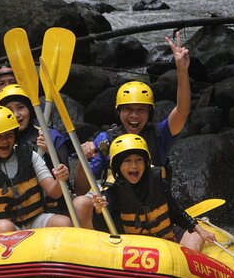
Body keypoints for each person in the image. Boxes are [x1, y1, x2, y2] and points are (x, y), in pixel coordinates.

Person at [72, 31, 192, 225]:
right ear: (119, 112)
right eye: (128, 110)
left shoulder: (160, 135)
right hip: (118, 214)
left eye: (141, 110)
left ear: (149, 113)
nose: (134, 116)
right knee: (80, 203)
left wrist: (181, 70)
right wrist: (81, 161)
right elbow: (80, 189)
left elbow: (183, 110)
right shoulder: (105, 140)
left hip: (153, 210)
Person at [90, 134, 215, 252]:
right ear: (117, 166)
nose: (134, 165)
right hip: (134, 250)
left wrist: (198, 229)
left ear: (145, 163)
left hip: (165, 242)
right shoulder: (113, 193)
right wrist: (99, 211)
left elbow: (175, 212)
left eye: (139, 160)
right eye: (127, 161)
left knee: (196, 238)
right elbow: (103, 230)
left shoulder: (159, 183)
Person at [0, 105, 72, 234]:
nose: (4, 141)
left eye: (9, 135)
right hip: (6, 224)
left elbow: (54, 193)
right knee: (3, 227)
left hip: (35, 219)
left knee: (64, 222)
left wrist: (60, 179)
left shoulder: (29, 155)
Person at [0, 84, 74, 215]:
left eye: (21, 107)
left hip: (55, 205)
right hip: (23, 209)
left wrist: (49, 152)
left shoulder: (50, 135)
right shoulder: (0, 143)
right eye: (9, 110)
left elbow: (65, 173)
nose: (16, 115)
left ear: (30, 110)